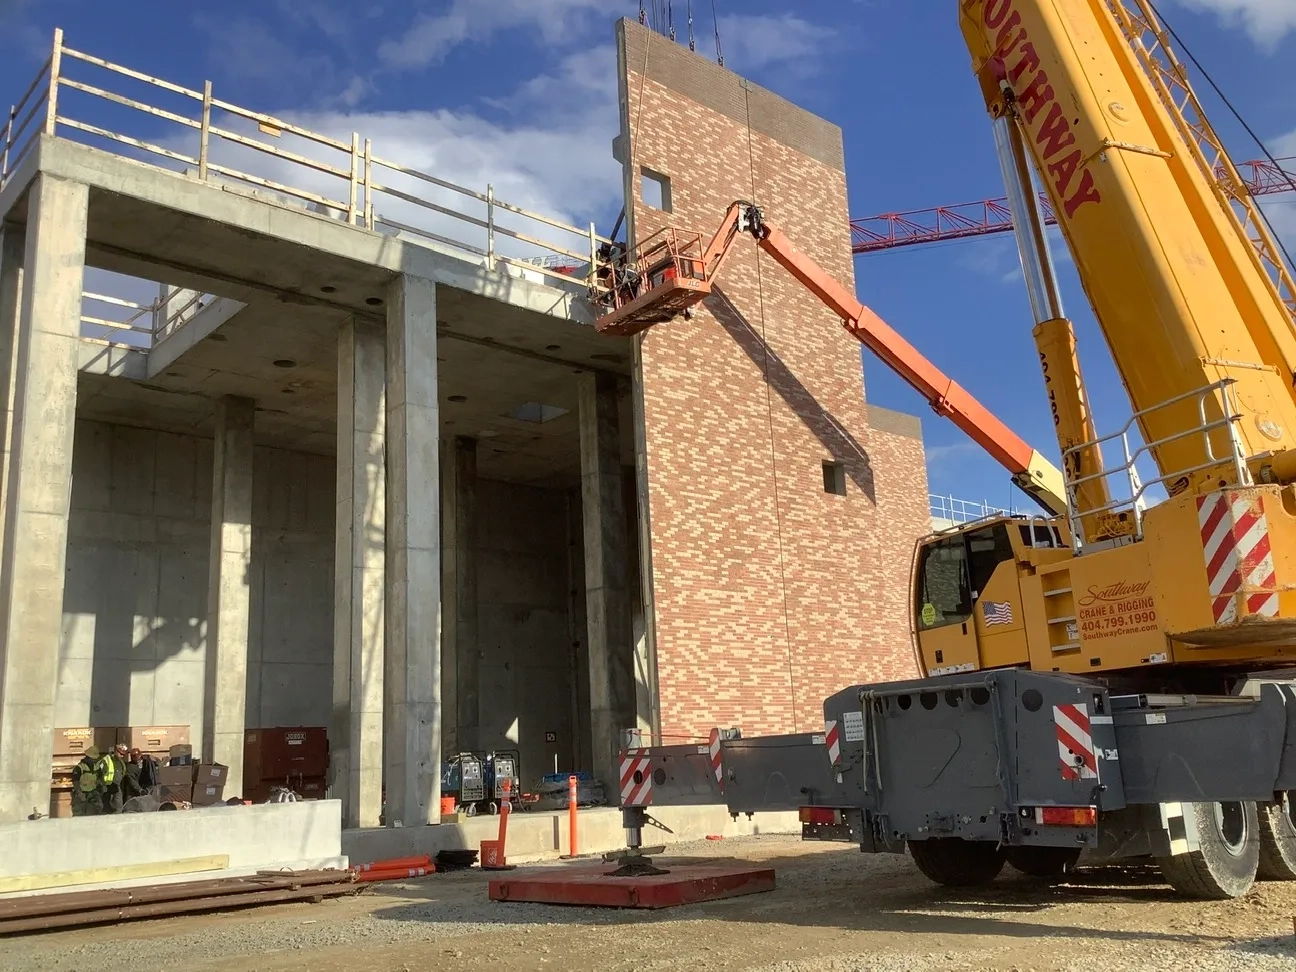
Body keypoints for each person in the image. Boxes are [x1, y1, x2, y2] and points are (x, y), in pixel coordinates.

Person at [71, 746, 103, 816]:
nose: (95, 760)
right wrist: (79, 793)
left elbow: (99, 777)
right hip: (81, 794)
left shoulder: (96, 766)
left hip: (93, 792)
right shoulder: (79, 768)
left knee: (96, 812)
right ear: (88, 757)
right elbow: (75, 781)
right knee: (79, 814)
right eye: (93, 758)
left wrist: (101, 786)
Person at [99, 744, 127, 813]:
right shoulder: (106, 760)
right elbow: (100, 774)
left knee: (118, 807)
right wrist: (102, 786)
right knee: (106, 807)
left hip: (116, 787)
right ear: (116, 751)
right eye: (120, 753)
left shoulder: (120, 762)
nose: (122, 755)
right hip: (107, 787)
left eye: (123, 754)